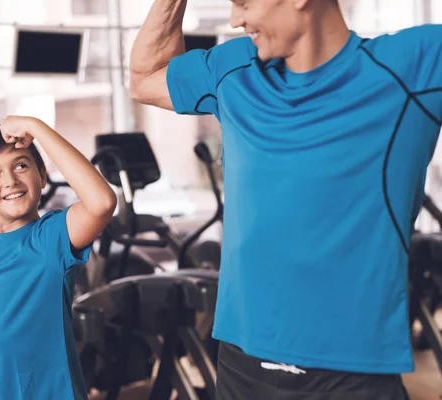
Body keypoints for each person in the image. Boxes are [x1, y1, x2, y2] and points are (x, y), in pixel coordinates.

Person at [130, 0, 442, 399]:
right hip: (241, 367)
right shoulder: (234, 69)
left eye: (243, 3)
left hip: (349, 376)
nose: (234, 19)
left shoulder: (409, 68)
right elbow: (145, 78)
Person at [0, 116, 117, 399]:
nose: (10, 180)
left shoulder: (50, 238)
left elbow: (102, 202)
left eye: (20, 165)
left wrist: (36, 128)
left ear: (42, 177)